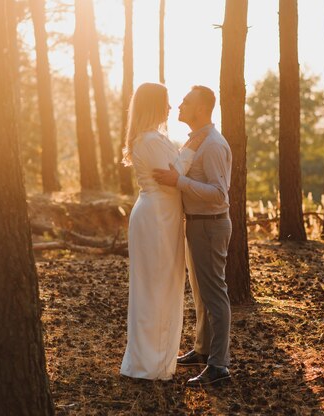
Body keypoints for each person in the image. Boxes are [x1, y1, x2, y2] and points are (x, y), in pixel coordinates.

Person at [119, 82, 206, 380]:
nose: (170, 108)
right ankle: (149, 365)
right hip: (156, 217)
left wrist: (185, 153)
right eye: (166, 102)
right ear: (153, 105)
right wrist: (192, 148)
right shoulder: (149, 140)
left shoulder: (154, 138)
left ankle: (154, 362)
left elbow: (174, 169)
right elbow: (173, 175)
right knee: (155, 289)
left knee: (164, 286)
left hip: (164, 216)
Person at [153, 85, 233, 387]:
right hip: (197, 224)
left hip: (210, 225)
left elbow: (219, 195)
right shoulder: (197, 140)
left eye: (185, 102)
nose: (179, 106)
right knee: (201, 294)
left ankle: (219, 366)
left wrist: (179, 181)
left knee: (214, 294)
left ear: (200, 109)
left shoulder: (212, 144)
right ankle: (202, 351)